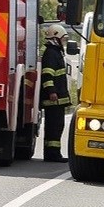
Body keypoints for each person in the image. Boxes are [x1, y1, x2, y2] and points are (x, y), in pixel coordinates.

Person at [40, 23, 71, 163]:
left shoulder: (55, 52)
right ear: (56, 38)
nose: (63, 42)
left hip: (57, 99)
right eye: (62, 39)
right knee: (54, 127)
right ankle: (52, 154)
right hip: (53, 99)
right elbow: (47, 75)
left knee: (57, 126)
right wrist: (52, 92)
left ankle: (52, 153)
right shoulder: (51, 53)